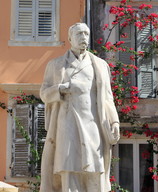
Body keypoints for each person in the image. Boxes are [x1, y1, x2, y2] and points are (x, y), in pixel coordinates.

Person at [39, 23, 120, 192]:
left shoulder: (100, 65)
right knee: (69, 167)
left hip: (93, 124)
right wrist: (61, 88)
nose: (83, 37)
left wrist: (114, 122)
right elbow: (44, 93)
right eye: (79, 34)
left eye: (86, 34)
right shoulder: (56, 65)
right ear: (70, 38)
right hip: (66, 123)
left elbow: (107, 97)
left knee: (95, 169)